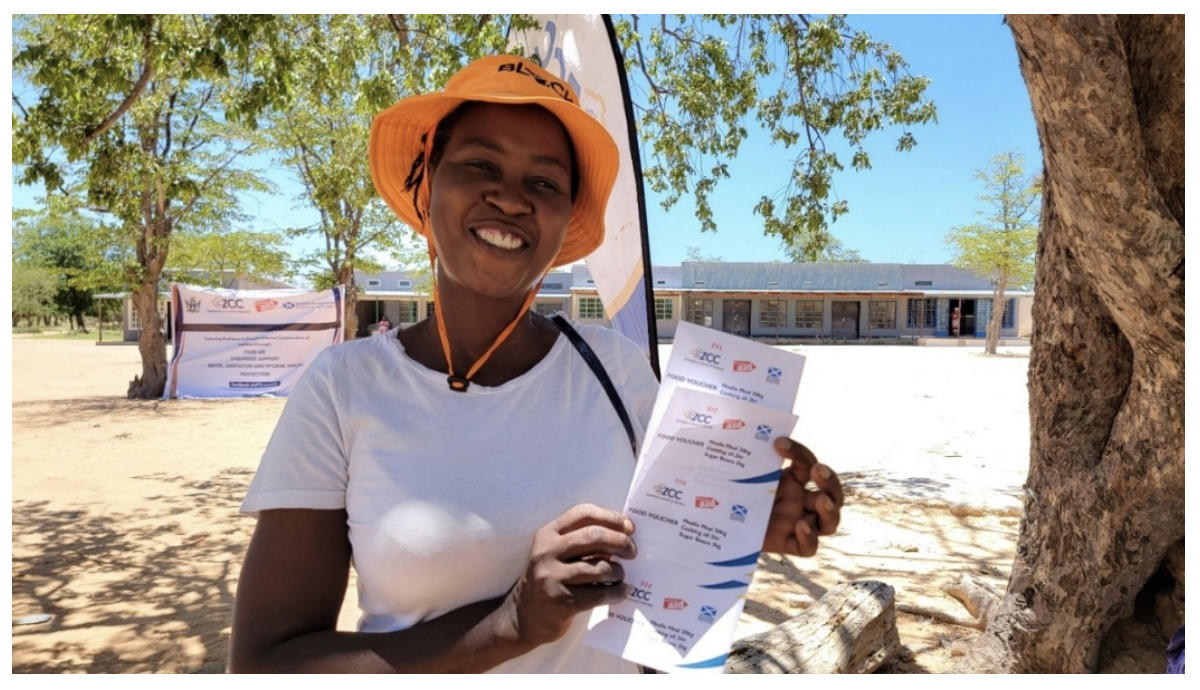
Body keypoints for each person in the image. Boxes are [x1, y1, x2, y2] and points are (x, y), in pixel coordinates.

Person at [230, 55, 843, 674]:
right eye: (480, 164)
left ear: (565, 217)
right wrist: (508, 625)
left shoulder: (614, 369)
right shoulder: (343, 388)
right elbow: (264, 664)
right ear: (427, 182)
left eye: (545, 182)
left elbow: (667, 559)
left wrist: (748, 518)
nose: (510, 197)